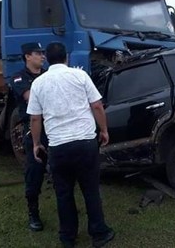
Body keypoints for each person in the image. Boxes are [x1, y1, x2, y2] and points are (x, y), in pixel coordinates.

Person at [27, 42, 114, 248]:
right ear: (66, 57)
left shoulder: (38, 84)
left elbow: (35, 119)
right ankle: (99, 234)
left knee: (63, 193)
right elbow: (96, 105)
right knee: (91, 189)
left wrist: (36, 143)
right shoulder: (80, 76)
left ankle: (68, 237)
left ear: (47, 59)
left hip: (59, 147)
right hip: (85, 143)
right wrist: (103, 130)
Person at [10, 42, 48, 232]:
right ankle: (33, 212)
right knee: (34, 173)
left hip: (54, 128)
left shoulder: (48, 74)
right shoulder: (18, 77)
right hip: (33, 130)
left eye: (43, 53)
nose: (42, 56)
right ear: (27, 56)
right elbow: (30, 97)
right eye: (37, 53)